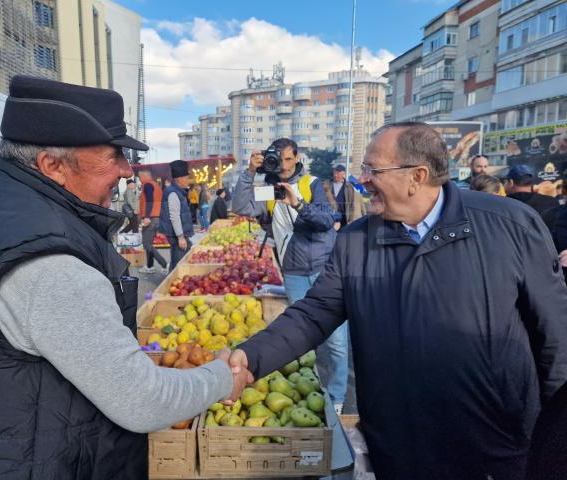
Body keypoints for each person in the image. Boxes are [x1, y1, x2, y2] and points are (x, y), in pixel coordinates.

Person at [0, 75, 248, 479]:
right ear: (53, 165)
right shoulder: (47, 262)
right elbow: (141, 401)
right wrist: (221, 378)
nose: (127, 171)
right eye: (114, 155)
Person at [229, 122, 567, 480]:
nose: (363, 180)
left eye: (373, 169)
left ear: (416, 176)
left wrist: (555, 441)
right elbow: (314, 314)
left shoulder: (509, 225)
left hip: (497, 445)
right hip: (398, 445)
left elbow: (556, 338)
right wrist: (251, 357)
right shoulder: (357, 241)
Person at [232, 138, 349, 414]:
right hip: (294, 272)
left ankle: (337, 397)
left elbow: (324, 221)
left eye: (287, 159)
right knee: (307, 336)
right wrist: (249, 172)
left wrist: (297, 203)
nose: (283, 166)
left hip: (324, 269)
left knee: (337, 342)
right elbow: (242, 207)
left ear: (296, 158)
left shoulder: (311, 184)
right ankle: (315, 388)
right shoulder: (270, 191)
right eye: (277, 159)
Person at [160, 160, 194, 271]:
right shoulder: (173, 193)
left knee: (178, 261)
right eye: (186, 177)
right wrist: (180, 237)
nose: (188, 180)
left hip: (179, 235)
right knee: (177, 265)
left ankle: (173, 282)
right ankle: (171, 284)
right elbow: (174, 216)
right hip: (177, 236)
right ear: (179, 179)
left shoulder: (178, 191)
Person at [137, 169, 168, 274]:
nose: (140, 179)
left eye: (140, 177)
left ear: (145, 176)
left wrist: (147, 217)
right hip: (156, 217)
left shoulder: (148, 185)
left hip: (151, 218)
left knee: (146, 243)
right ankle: (149, 266)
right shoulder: (155, 185)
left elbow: (149, 201)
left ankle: (164, 264)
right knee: (148, 243)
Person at [324, 164, 365, 230]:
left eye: (338, 173)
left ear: (343, 174)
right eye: (334, 173)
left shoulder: (350, 187)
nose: (335, 175)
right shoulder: (327, 185)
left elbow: (356, 202)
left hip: (345, 218)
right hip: (331, 218)